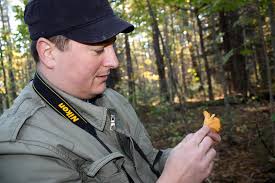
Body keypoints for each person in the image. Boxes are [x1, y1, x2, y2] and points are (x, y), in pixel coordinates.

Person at [0, 0, 221, 182]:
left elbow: (146, 164)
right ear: (48, 53)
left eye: (112, 45)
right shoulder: (22, 147)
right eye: (98, 50)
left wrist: (184, 157)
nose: (114, 61)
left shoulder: (112, 99)